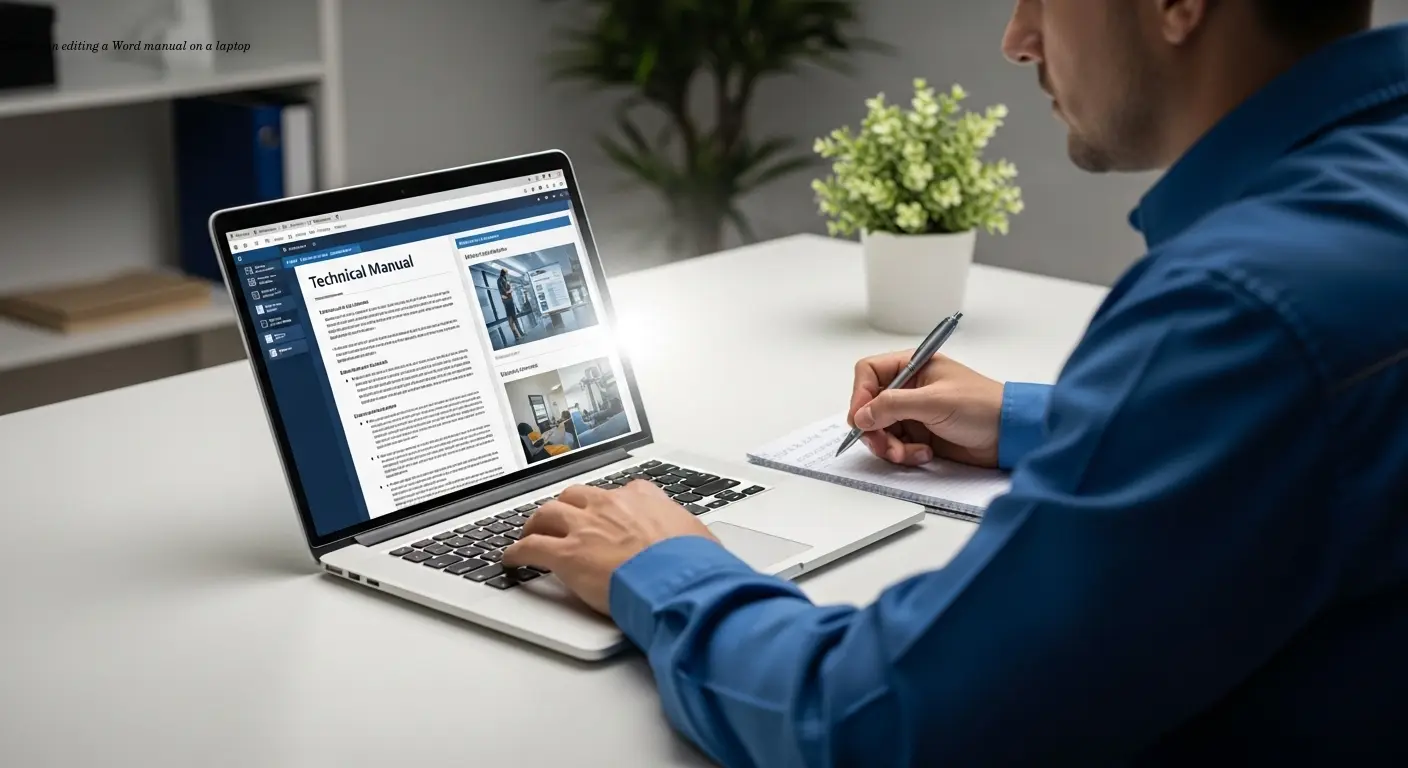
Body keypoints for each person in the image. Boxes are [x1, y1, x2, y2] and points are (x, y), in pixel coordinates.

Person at [504, 1, 1407, 764]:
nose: (1018, 39)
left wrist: (662, 569)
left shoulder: (1235, 307)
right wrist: (1036, 420)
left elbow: (882, 723)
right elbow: (1329, 418)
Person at [497, 268, 522, 340]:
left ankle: (518, 334)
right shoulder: (501, 280)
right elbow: (505, 291)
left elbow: (506, 290)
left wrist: (510, 290)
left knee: (512, 317)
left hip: (508, 300)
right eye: (507, 273)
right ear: (504, 273)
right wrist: (510, 290)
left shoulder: (504, 280)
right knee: (511, 317)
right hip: (507, 300)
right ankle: (517, 335)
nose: (508, 275)